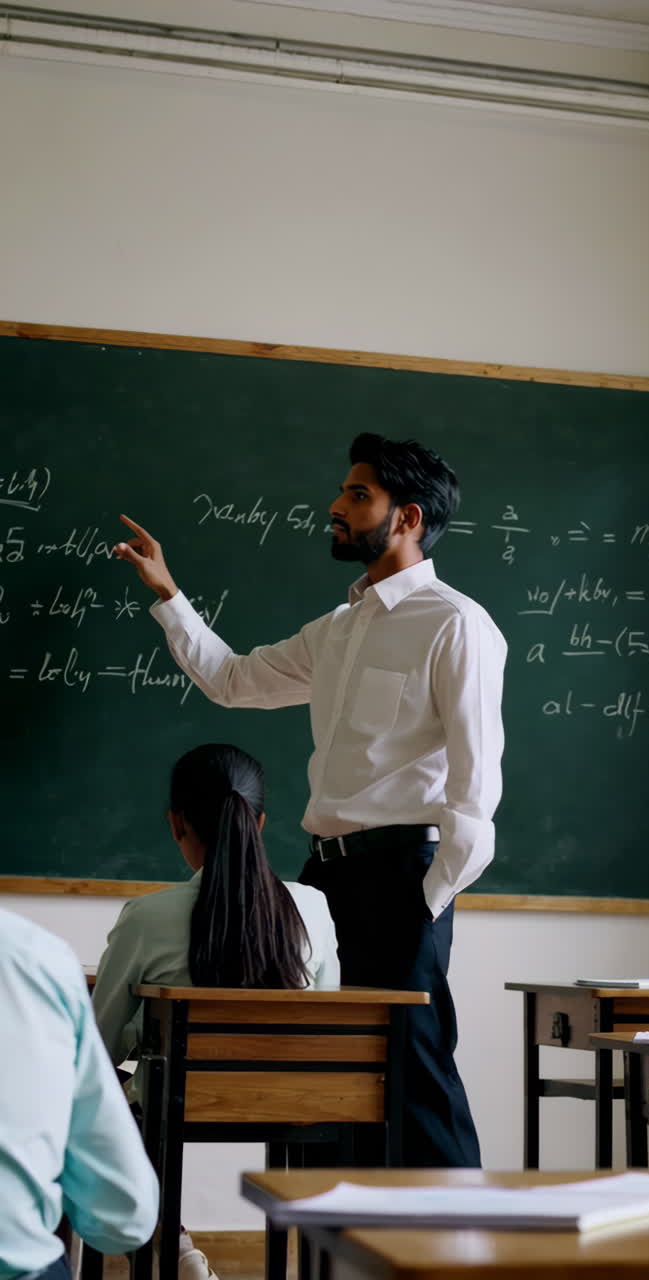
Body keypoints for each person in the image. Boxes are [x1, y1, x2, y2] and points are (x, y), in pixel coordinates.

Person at [113, 432, 506, 1168]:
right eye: (345, 491)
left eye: (359, 495)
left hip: (403, 878)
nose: (336, 506)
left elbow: (476, 784)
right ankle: (338, 1246)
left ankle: (461, 1244)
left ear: (409, 518)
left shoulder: (455, 624)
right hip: (323, 883)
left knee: (415, 1073)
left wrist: (428, 898)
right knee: (323, 1079)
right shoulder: (338, 630)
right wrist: (168, 595)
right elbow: (233, 681)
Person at [93, 742, 340, 1070]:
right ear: (260, 824)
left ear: (176, 824)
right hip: (292, 1114)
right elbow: (324, 1031)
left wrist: (143, 1031)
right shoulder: (313, 906)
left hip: (177, 1118)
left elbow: (96, 1048)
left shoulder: (146, 918)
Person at [0, 906, 158, 1280]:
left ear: (181, 840)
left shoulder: (146, 918)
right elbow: (123, 1217)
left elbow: (109, 1033)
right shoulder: (32, 955)